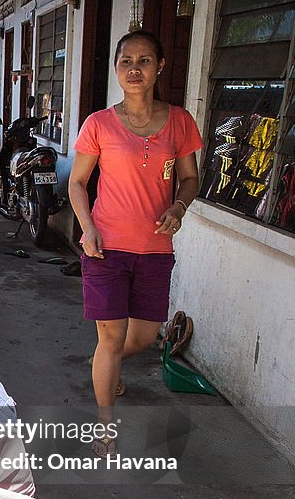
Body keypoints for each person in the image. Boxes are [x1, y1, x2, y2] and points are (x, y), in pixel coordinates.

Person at [68, 30, 203, 456]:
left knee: (143, 337)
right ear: (116, 68)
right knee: (110, 337)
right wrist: (87, 227)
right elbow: (77, 181)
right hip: (105, 246)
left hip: (155, 249)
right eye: (126, 61)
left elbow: (190, 178)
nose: (135, 69)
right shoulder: (99, 124)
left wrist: (179, 208)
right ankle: (105, 427)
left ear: (159, 67)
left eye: (144, 61)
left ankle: (106, 365)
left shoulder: (179, 121)